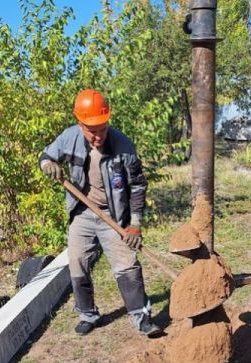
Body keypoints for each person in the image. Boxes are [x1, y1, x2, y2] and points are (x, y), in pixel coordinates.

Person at [39, 89, 161, 337]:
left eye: (102, 129)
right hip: (82, 213)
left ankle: (141, 318)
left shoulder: (123, 146)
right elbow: (46, 156)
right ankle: (88, 314)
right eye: (91, 130)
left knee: (127, 266)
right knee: (77, 264)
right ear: (80, 124)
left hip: (114, 217)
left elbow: (138, 185)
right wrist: (48, 165)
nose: (97, 136)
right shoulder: (69, 138)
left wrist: (135, 224)